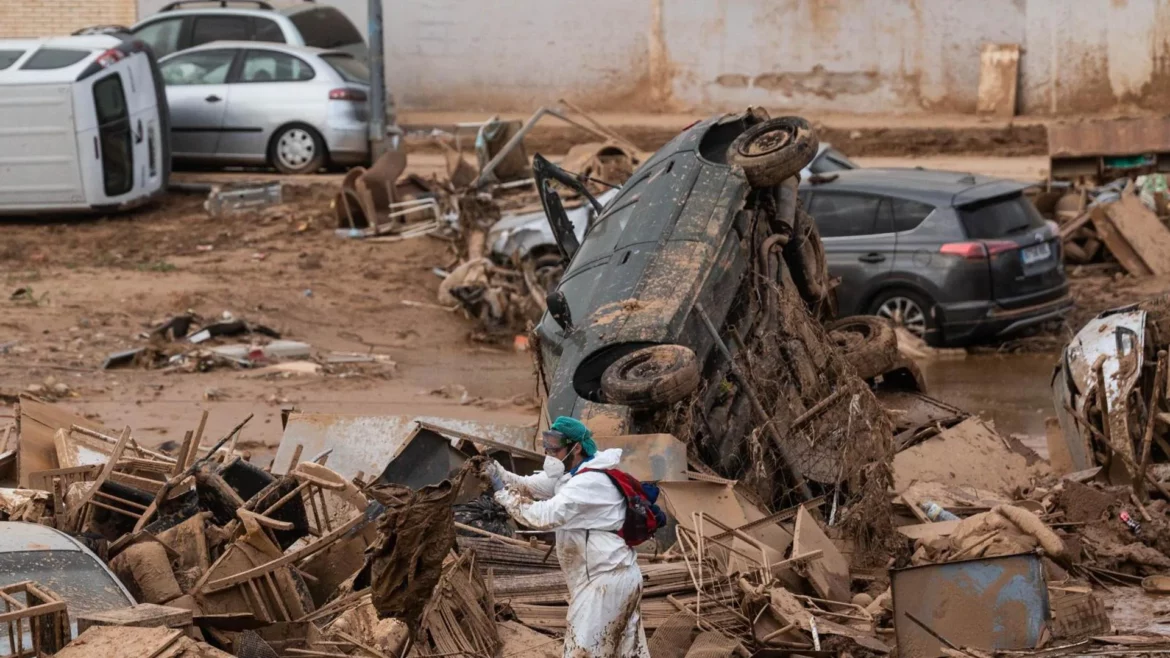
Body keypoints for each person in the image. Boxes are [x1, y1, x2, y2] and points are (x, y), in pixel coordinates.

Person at [485, 416, 650, 658]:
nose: (549, 452)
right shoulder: (571, 476)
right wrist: (498, 473)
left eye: (555, 447)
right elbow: (527, 485)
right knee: (626, 653)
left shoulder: (589, 482)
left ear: (577, 447)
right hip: (611, 577)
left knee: (581, 652)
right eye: (547, 444)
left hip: (604, 582)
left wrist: (501, 492)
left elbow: (542, 516)